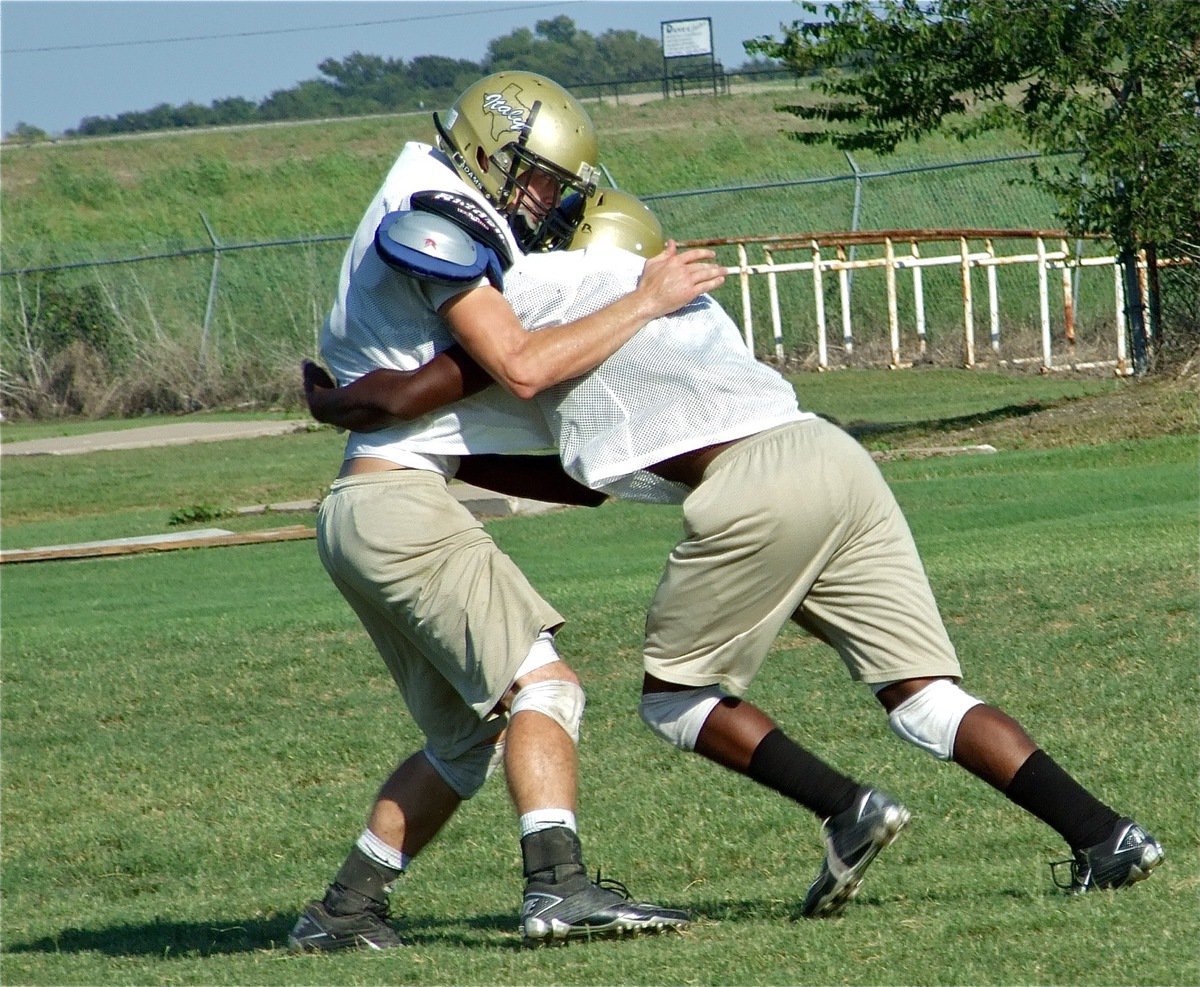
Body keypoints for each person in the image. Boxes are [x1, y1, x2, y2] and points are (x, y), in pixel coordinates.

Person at [305, 189, 1164, 918]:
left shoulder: (558, 298)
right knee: (925, 695)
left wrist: (334, 403)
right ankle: (1104, 833)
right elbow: (587, 477)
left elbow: (417, 391)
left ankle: (845, 807)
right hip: (831, 455)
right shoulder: (686, 312)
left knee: (675, 701)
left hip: (754, 484)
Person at [290, 73, 726, 952]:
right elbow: (521, 366)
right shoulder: (434, 211)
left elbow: (450, 398)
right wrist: (640, 300)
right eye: (536, 177)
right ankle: (557, 886)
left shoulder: (441, 206)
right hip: (394, 500)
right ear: (490, 147)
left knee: (464, 742)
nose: (543, 200)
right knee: (546, 688)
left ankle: (342, 911)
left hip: (371, 502)